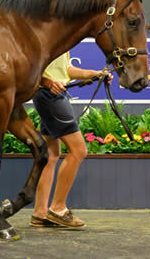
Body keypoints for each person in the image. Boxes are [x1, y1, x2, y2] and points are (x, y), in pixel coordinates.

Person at [31, 51, 112, 228]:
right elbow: (29, 66)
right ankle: (58, 208)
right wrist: (47, 82)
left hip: (51, 94)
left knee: (52, 154)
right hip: (50, 94)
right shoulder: (45, 31)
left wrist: (94, 73)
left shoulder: (61, 40)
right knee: (79, 150)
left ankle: (40, 212)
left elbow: (65, 70)